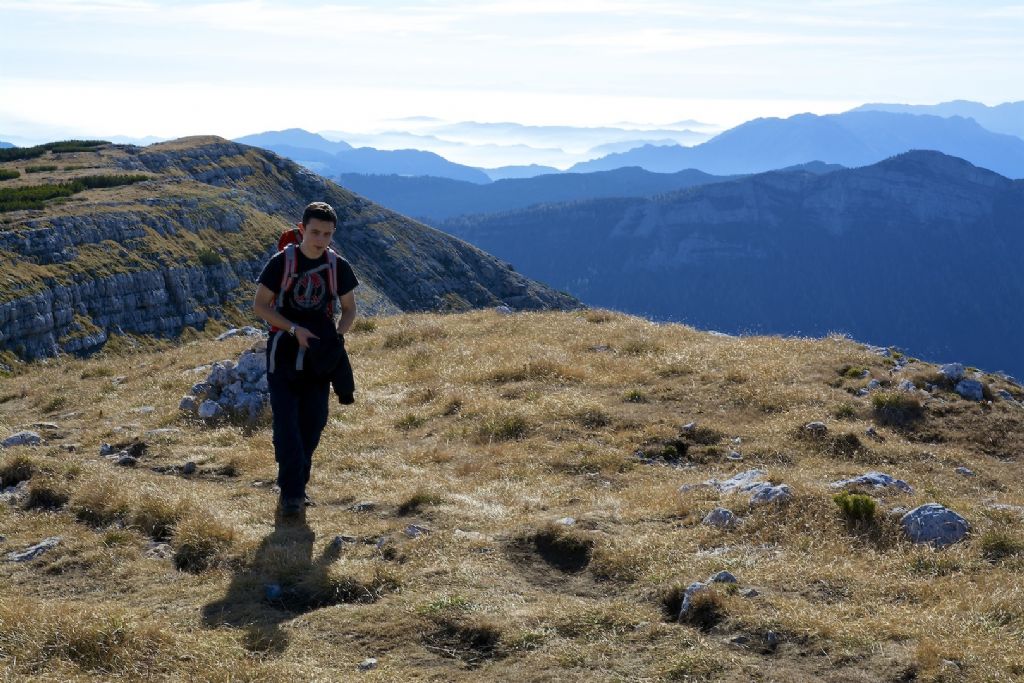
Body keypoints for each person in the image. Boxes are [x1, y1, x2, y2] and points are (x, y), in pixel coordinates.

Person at [253, 201, 358, 515]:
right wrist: (294, 328)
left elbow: (350, 308)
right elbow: (260, 305)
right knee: (287, 425)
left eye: (327, 234)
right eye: (314, 232)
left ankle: (296, 483)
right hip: (282, 353)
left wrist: (337, 337)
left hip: (318, 357)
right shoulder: (280, 263)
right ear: (301, 229)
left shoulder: (337, 266)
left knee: (313, 424)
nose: (320, 239)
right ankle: (292, 494)